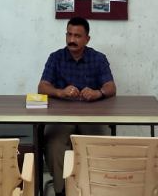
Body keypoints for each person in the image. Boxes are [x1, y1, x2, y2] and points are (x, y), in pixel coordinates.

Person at [38, 17, 116, 196]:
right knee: (54, 145)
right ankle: (62, 191)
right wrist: (60, 92)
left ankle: (94, 189)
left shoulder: (98, 58)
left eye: (77, 36)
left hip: (91, 116)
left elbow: (111, 87)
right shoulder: (56, 57)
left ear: (87, 39)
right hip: (62, 117)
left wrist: (98, 93)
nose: (72, 40)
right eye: (69, 34)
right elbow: (42, 87)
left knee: (97, 144)